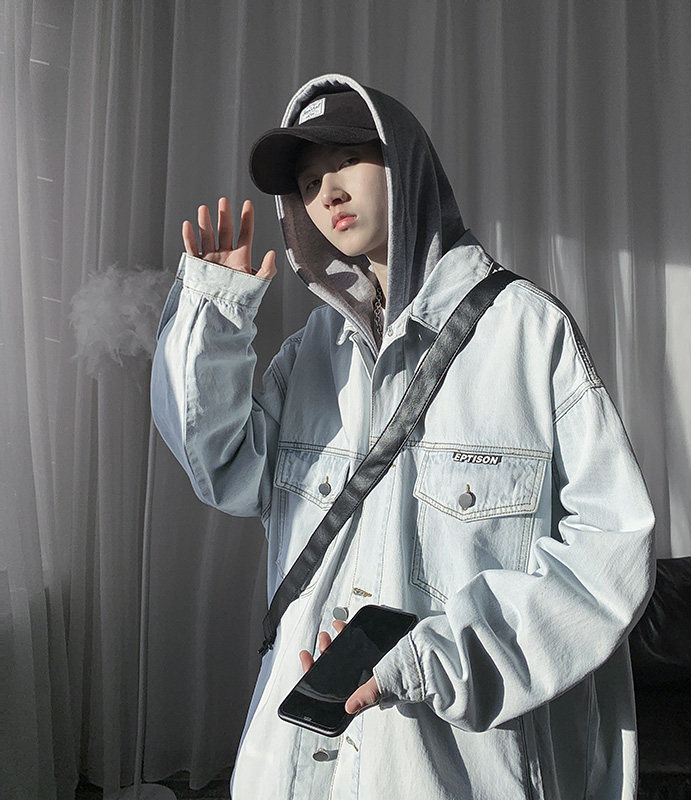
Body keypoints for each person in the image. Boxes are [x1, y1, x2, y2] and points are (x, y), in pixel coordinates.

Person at [150, 73, 656, 800]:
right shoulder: (314, 350)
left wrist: (438, 659)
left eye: (346, 161)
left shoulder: (527, 332)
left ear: (406, 165)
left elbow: (611, 548)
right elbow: (222, 467)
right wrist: (212, 317)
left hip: (451, 765)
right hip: (299, 763)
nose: (327, 192)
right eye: (309, 181)